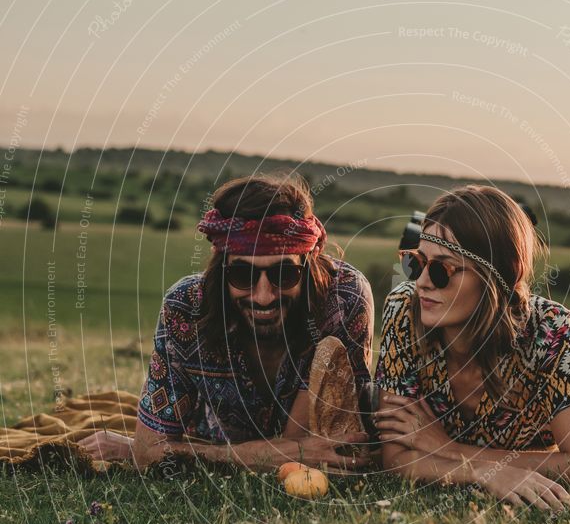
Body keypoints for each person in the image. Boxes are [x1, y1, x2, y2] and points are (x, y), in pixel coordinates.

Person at [81, 174, 374, 472]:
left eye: (284, 274)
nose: (263, 296)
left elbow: (302, 445)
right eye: (242, 275)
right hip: (209, 437)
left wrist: (183, 452)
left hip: (209, 444)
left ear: (308, 263)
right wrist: (281, 453)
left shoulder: (341, 299)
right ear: (221, 268)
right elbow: (147, 453)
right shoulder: (184, 308)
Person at [374, 185, 570, 512]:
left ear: (495, 277)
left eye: (442, 270)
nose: (422, 281)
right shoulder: (403, 312)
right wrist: (481, 472)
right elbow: (396, 457)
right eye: (417, 263)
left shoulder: (549, 329)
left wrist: (450, 449)